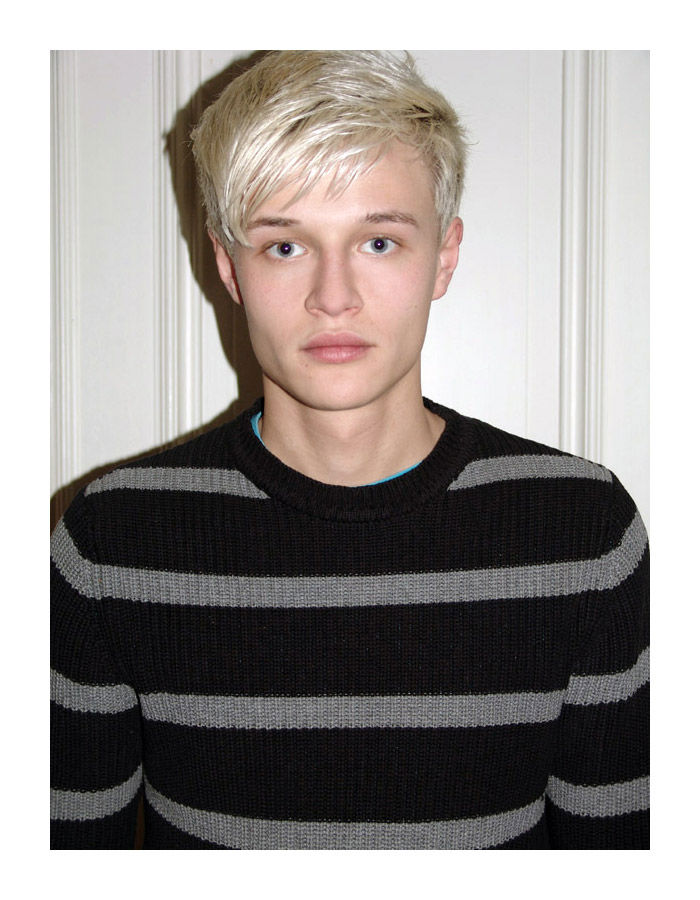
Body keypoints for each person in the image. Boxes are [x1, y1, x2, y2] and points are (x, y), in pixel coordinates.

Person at [50, 50, 649, 849]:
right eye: (285, 247)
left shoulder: (583, 531)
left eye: (379, 242)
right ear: (229, 268)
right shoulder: (111, 541)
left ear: (444, 257)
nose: (333, 298)